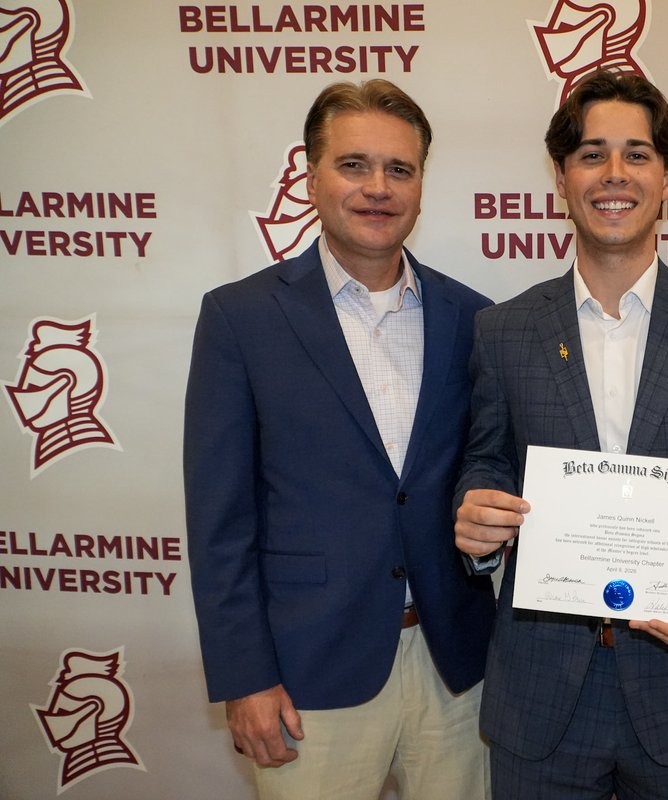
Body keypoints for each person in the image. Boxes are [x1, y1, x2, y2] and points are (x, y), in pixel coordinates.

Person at [453, 70, 668, 799]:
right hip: (540, 696)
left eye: (637, 154)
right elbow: (487, 460)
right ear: (563, 176)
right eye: (592, 153)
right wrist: (480, 508)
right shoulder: (503, 330)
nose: (614, 174)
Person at [183, 79, 494, 800]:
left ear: (421, 182)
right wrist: (247, 677)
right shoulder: (241, 319)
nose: (378, 188)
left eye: (400, 169)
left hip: (457, 671)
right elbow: (219, 520)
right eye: (354, 165)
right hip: (306, 673)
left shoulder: (474, 318)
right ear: (311, 175)